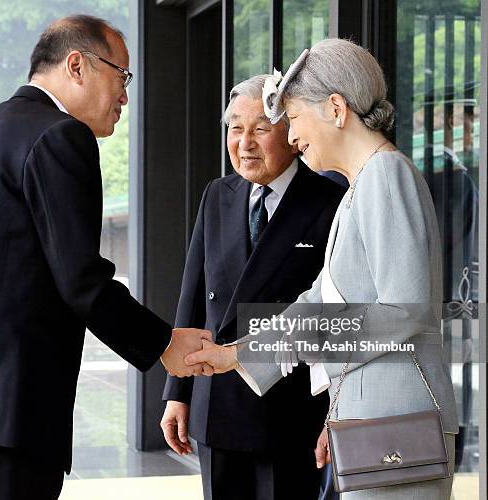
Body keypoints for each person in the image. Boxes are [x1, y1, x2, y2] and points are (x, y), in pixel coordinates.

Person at [0, 15, 210, 500]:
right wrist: (165, 343)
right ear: (77, 65)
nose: (124, 96)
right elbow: (81, 280)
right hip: (1, 410)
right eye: (122, 76)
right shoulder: (61, 136)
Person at [186, 38, 458, 499]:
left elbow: (405, 309)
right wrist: (237, 353)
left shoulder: (384, 176)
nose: (290, 136)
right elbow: (321, 300)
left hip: (394, 424)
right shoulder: (361, 183)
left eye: (292, 118)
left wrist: (313, 343)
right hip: (374, 417)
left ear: (335, 108)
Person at [161, 74, 345, 500]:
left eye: (261, 128)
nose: (245, 142)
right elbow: (193, 297)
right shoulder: (217, 194)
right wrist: (178, 392)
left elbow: (338, 315)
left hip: (290, 408)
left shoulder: (329, 199)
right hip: (216, 400)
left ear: (293, 131)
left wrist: (337, 410)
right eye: (235, 128)